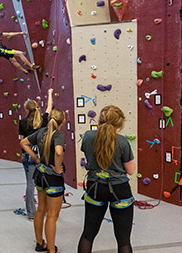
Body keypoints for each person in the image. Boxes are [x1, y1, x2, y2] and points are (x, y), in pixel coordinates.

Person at [77, 105, 135, 253]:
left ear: (100, 120)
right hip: (119, 190)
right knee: (124, 241)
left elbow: (88, 156)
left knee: (88, 234)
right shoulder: (122, 142)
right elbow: (130, 170)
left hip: (95, 188)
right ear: (119, 124)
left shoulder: (88, 136)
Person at [20, 93, 66, 253]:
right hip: (53, 178)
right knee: (52, 215)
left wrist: (36, 158)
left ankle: (40, 243)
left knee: (41, 209)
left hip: (40, 175)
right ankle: (52, 250)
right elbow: (59, 152)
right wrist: (58, 168)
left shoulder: (42, 132)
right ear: (63, 121)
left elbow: (23, 142)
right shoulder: (58, 135)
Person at [18, 98, 49, 221]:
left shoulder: (23, 122)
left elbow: (21, 140)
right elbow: (49, 108)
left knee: (30, 184)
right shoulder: (43, 120)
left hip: (28, 154)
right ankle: (45, 209)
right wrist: (50, 94)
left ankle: (31, 213)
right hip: (41, 154)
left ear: (26, 109)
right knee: (44, 182)